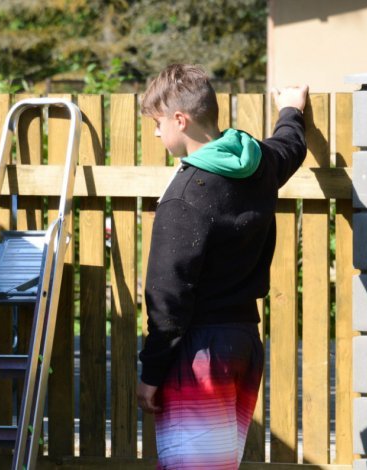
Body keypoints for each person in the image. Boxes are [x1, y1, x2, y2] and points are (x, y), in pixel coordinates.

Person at [137, 63, 308, 469]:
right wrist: (291, 111)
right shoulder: (258, 164)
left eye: (159, 123)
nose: (157, 133)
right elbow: (289, 147)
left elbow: (167, 298)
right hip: (243, 345)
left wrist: (151, 373)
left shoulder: (184, 196)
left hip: (200, 353)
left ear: (181, 120)